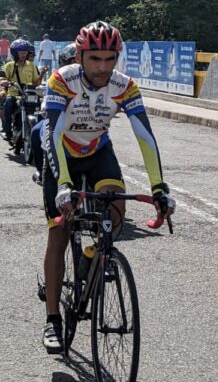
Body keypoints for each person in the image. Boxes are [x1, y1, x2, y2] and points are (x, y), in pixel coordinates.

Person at [39, 21, 175, 354]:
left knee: (115, 212)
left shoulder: (124, 86)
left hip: (98, 150)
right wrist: (64, 185)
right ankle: (53, 320)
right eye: (95, 59)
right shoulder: (62, 80)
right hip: (61, 152)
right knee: (59, 232)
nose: (102, 67)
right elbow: (54, 133)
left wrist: (159, 187)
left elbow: (145, 135)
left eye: (109, 59)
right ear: (81, 56)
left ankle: (92, 255)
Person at [30, 43, 77, 184]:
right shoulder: (56, 78)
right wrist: (46, 108)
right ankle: (42, 172)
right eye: (73, 62)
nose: (76, 65)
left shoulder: (96, 79)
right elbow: (46, 100)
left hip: (87, 125)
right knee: (36, 132)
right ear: (64, 63)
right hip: (58, 120)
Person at [1, 39, 46, 141]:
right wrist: (4, 82)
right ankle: (7, 131)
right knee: (8, 104)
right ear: (15, 53)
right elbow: (3, 78)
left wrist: (42, 74)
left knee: (41, 107)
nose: (23, 55)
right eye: (21, 53)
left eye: (25, 53)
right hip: (14, 94)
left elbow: (36, 82)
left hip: (28, 95)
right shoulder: (9, 65)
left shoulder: (32, 65)